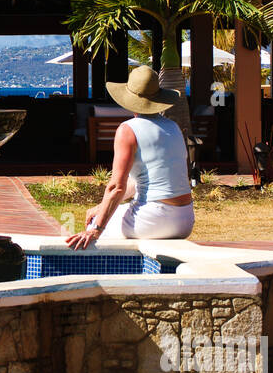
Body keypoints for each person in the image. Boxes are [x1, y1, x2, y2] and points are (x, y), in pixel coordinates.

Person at [66, 65, 193, 250]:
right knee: (103, 214)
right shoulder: (172, 126)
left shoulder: (128, 129)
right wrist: (101, 206)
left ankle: (111, 277)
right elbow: (140, 182)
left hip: (154, 220)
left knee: (93, 226)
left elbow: (117, 186)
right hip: (185, 219)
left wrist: (96, 229)